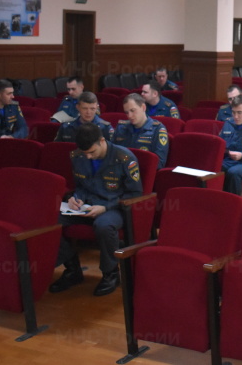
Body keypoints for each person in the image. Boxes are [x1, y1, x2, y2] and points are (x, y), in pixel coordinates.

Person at [50, 123, 143, 296]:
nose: (89, 157)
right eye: (85, 153)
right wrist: (75, 199)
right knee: (50, 220)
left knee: (103, 225)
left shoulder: (124, 158)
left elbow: (135, 193)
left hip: (116, 206)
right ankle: (72, 269)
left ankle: (111, 274)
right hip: (87, 205)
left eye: (92, 152)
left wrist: (106, 207)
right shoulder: (77, 156)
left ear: (102, 141)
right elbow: (82, 185)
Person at [113, 93, 169, 168]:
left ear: (143, 107)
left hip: (143, 173)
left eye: (133, 110)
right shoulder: (121, 127)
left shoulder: (158, 129)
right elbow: (111, 154)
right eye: (126, 112)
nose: (129, 116)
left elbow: (159, 163)